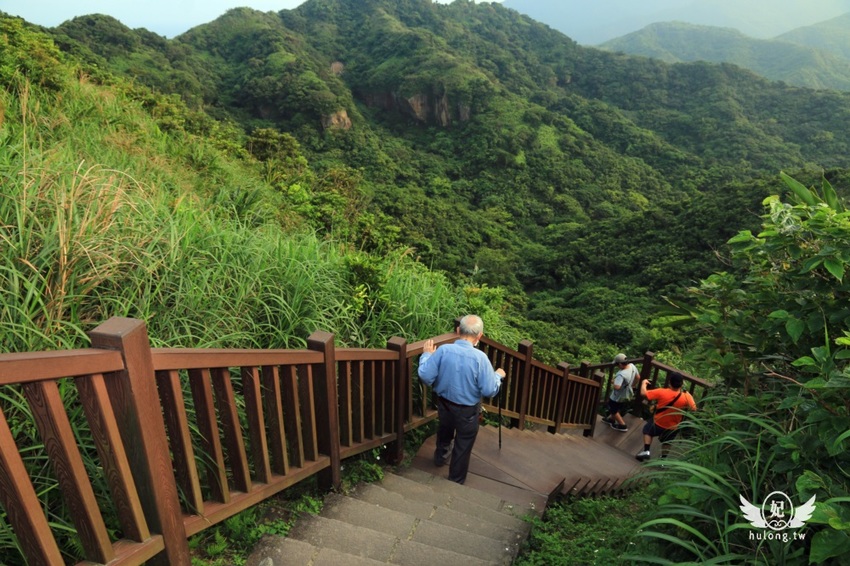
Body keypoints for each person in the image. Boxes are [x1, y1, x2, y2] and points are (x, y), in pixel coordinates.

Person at [417, 314, 505, 484]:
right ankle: (455, 480)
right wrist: (498, 376)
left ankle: (440, 457)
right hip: (467, 411)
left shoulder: (443, 350)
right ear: (479, 336)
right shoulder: (481, 359)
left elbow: (426, 376)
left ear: (458, 331)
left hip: (444, 404)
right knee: (463, 444)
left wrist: (426, 355)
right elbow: (489, 390)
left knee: (445, 430)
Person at [635, 371, 697, 461]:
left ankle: (646, 451)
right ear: (681, 384)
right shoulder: (686, 396)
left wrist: (644, 383)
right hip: (673, 427)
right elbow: (694, 408)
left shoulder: (662, 392)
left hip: (658, 422)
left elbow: (644, 393)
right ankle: (663, 459)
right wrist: (688, 395)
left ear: (670, 382)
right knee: (667, 442)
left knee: (647, 431)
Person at [603, 353, 638, 432]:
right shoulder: (632, 366)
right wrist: (632, 385)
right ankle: (611, 420)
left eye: (617, 364)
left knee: (613, 408)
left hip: (617, 395)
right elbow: (637, 377)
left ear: (620, 364)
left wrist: (613, 381)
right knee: (617, 407)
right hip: (626, 394)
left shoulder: (621, 374)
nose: (617, 366)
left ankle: (622, 425)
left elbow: (617, 387)